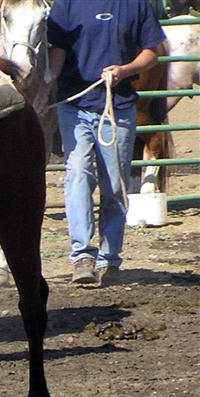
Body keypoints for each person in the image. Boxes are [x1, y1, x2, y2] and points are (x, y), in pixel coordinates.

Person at [48, 0, 165, 286]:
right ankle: (82, 256)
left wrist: (125, 70)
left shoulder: (135, 4)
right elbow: (57, 53)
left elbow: (152, 52)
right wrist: (44, 91)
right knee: (78, 175)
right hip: (75, 105)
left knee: (114, 184)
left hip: (118, 106)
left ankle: (109, 258)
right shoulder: (67, 4)